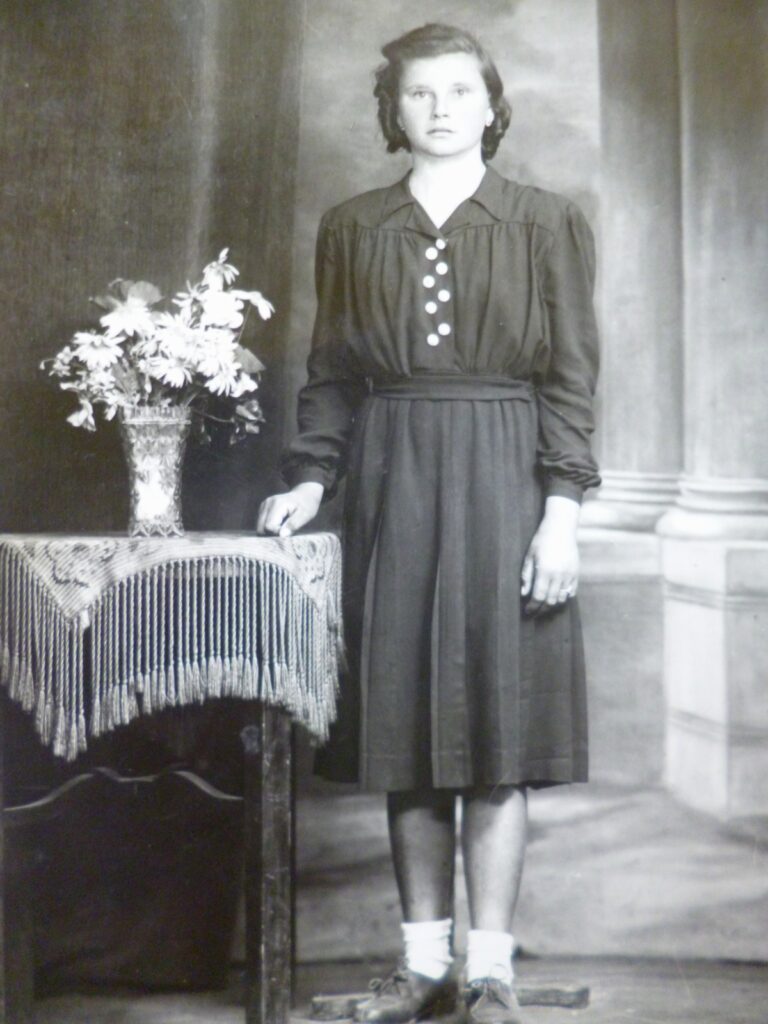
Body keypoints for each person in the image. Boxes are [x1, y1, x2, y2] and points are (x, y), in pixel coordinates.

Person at [257, 22, 600, 1024]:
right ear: (393, 111)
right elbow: (332, 372)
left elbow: (571, 380)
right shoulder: (353, 226)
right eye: (420, 93)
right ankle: (422, 969)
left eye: (459, 91)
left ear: (492, 106)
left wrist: (561, 516)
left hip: (507, 482)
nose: (441, 109)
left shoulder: (545, 221)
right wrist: (312, 478)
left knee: (496, 737)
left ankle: (490, 972)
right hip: (392, 482)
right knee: (407, 735)